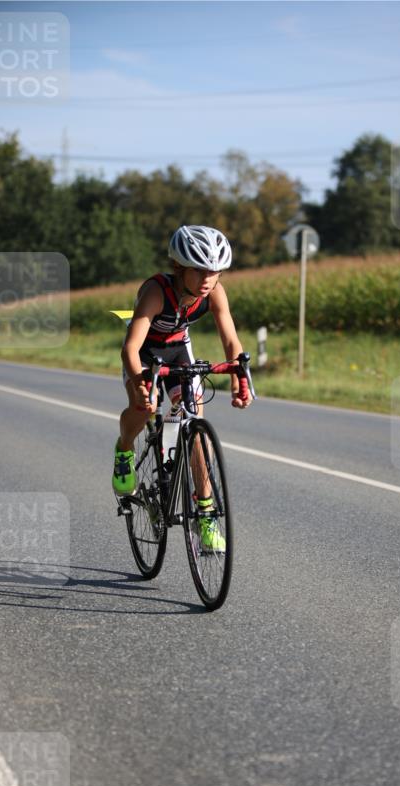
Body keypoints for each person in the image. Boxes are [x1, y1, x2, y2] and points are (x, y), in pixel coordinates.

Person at [113, 224, 252, 551]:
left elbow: (231, 340)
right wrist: (141, 382)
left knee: (195, 429)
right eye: (199, 270)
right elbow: (130, 349)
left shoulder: (215, 291)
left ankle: (205, 515)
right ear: (180, 268)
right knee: (144, 406)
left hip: (178, 350)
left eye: (214, 272)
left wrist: (237, 376)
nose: (207, 279)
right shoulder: (156, 291)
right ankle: (124, 448)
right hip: (146, 353)